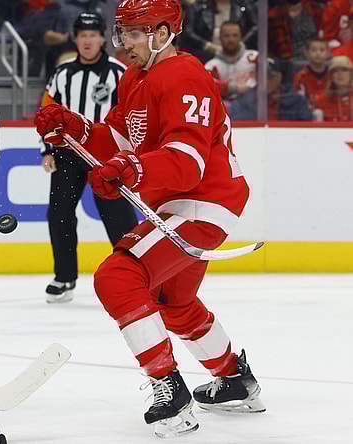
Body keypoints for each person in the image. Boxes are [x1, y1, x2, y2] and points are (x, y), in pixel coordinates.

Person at [34, 0, 265, 438]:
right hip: (177, 204)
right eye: (123, 33)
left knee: (117, 277)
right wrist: (74, 127)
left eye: (135, 34)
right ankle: (234, 379)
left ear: (163, 33)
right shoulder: (136, 77)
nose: (125, 43)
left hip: (203, 202)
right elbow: (119, 138)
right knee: (174, 304)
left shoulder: (186, 76)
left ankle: (168, 388)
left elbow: (188, 161)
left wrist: (133, 169)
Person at [40, 12, 138, 304]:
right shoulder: (62, 73)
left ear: (102, 38)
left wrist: (128, 153)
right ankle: (65, 276)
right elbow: (46, 114)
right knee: (59, 214)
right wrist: (47, 149)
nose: (87, 40)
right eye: (82, 35)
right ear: (76, 38)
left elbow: (132, 115)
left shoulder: (120, 73)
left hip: (107, 157)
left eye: (93, 34)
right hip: (68, 154)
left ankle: (137, 274)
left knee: (119, 217)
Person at [228, 57, 313, 121]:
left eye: (270, 76)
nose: (265, 81)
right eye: (261, 76)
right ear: (256, 77)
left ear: (279, 77)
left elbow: (306, 129)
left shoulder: (297, 101)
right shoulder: (243, 101)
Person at [204, 21, 258, 101]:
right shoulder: (211, 66)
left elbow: (273, 76)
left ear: (241, 37)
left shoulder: (254, 57)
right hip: (225, 110)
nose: (231, 39)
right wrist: (231, 88)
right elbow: (205, 86)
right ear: (220, 38)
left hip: (254, 108)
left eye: (235, 35)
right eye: (226, 36)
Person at [293, 38, 331, 113]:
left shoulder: (332, 75)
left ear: (328, 53)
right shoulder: (301, 76)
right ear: (306, 53)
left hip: (330, 113)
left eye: (322, 50)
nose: (318, 53)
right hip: (307, 114)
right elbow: (297, 100)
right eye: (313, 50)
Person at [315, 55, 353, 121]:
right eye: (335, 71)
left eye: (344, 70)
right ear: (331, 76)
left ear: (351, 74)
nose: (340, 74)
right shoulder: (321, 101)